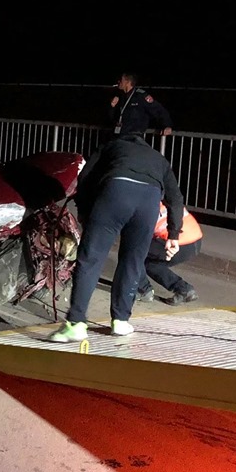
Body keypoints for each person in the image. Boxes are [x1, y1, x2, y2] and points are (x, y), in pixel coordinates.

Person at [49, 133, 185, 342]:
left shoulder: (111, 146)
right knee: (132, 261)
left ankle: (76, 324)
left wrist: (85, 212)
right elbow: (175, 198)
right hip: (149, 201)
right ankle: (121, 321)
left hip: (117, 191)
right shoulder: (158, 158)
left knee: (91, 257)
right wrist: (173, 235)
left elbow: (85, 178)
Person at [136, 203, 203, 305]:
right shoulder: (160, 197)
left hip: (177, 242)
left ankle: (144, 290)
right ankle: (184, 289)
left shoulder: (140, 203)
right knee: (151, 264)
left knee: (133, 254)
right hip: (195, 240)